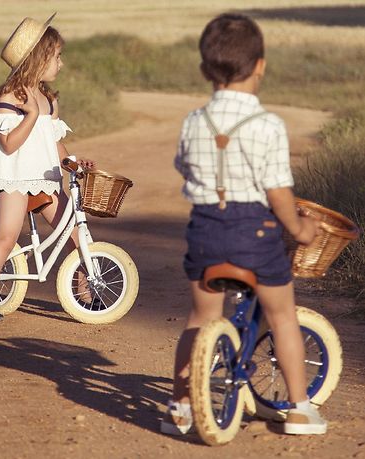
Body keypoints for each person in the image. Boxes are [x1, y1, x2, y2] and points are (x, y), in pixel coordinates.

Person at [161, 13, 327, 437]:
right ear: (261, 66)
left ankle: (180, 406)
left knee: (199, 319)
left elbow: (184, 167)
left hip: (205, 231)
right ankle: (301, 408)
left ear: (204, 70)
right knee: (283, 315)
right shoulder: (268, 125)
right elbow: (277, 193)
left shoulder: (193, 122)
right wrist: (301, 229)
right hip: (255, 233)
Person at [0, 13, 93, 323]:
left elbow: (52, 142)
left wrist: (70, 162)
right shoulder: (9, 97)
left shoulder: (48, 99)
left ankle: (86, 290)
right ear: (38, 59)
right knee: (7, 236)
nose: (60, 64)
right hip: (13, 175)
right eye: (56, 56)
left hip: (43, 176)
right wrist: (31, 115)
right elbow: (9, 144)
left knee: (75, 231)